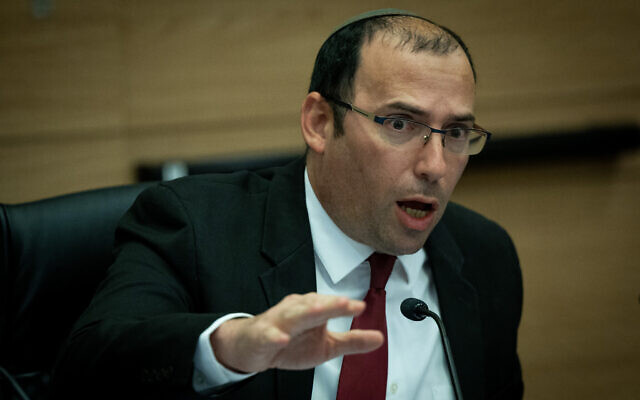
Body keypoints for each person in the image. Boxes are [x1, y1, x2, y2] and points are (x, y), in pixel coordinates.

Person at [52, 9, 523, 400]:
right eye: (399, 124)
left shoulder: (485, 255)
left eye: (457, 133)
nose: (435, 166)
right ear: (320, 123)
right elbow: (85, 367)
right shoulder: (194, 226)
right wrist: (228, 348)